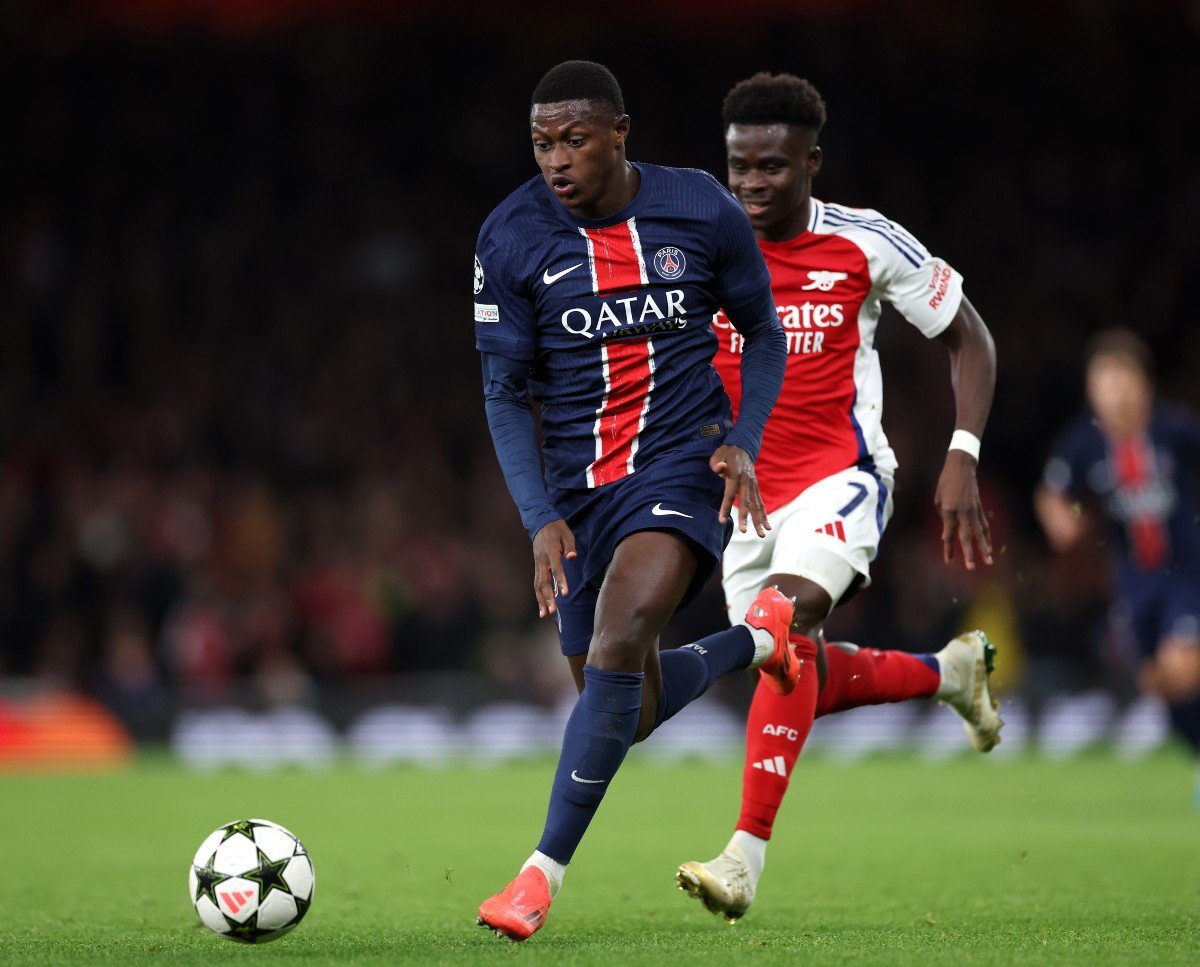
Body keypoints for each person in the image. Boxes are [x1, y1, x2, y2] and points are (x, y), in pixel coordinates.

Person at [472, 60, 796, 942]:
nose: (556, 160)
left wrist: (744, 439)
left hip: (682, 464)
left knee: (619, 638)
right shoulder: (510, 237)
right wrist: (539, 515)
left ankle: (537, 878)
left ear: (620, 133)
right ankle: (759, 639)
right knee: (630, 709)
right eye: (541, 143)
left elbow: (764, 331)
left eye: (574, 140)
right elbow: (504, 394)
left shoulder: (699, 208)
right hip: (580, 494)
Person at [675, 72, 1002, 922]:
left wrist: (963, 453)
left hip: (842, 475)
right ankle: (950, 673)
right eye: (740, 166)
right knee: (794, 669)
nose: (752, 182)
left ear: (812, 162)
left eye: (773, 166)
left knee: (781, 624)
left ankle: (743, 856)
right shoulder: (698, 247)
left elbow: (970, 337)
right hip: (744, 502)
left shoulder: (865, 241)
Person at [1036, 328, 1200, 804]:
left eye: (1123, 379)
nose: (1115, 392)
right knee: (1158, 685)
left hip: (1185, 572)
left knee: (1183, 666)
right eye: (1104, 382)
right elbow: (1052, 493)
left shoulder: (1174, 430)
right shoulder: (1083, 443)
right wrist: (1062, 521)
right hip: (1133, 579)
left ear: (1144, 383)